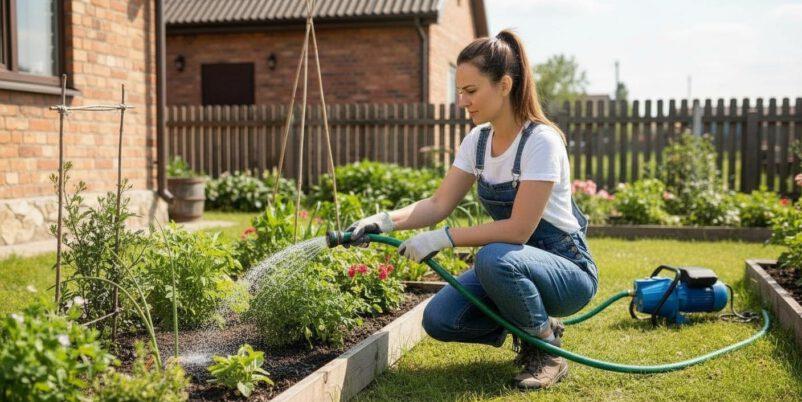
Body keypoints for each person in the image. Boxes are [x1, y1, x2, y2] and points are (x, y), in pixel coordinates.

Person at [346, 29, 598, 390]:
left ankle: (547, 351)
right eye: (460, 91)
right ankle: (538, 323)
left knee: (493, 257)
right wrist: (383, 220)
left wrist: (444, 238)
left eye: (471, 90)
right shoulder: (478, 141)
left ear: (505, 85)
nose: (462, 100)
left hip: (567, 272)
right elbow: (438, 204)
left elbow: (519, 230)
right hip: (510, 266)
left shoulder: (541, 141)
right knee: (440, 318)